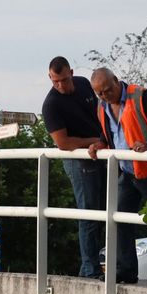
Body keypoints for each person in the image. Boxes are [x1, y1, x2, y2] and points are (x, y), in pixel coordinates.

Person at [87, 68, 147, 289]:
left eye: (107, 90)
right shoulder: (102, 106)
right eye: (99, 93)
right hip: (129, 172)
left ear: (117, 81)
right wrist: (100, 144)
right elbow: (109, 133)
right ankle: (125, 271)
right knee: (119, 219)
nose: (105, 95)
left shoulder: (140, 97)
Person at [42, 56, 107, 280]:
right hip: (78, 159)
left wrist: (104, 139)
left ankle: (93, 266)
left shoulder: (83, 84)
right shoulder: (51, 105)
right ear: (50, 78)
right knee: (89, 213)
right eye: (55, 82)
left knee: (106, 212)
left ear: (71, 72)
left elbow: (102, 111)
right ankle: (90, 270)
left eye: (64, 80)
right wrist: (93, 140)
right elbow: (63, 143)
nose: (61, 85)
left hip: (101, 152)